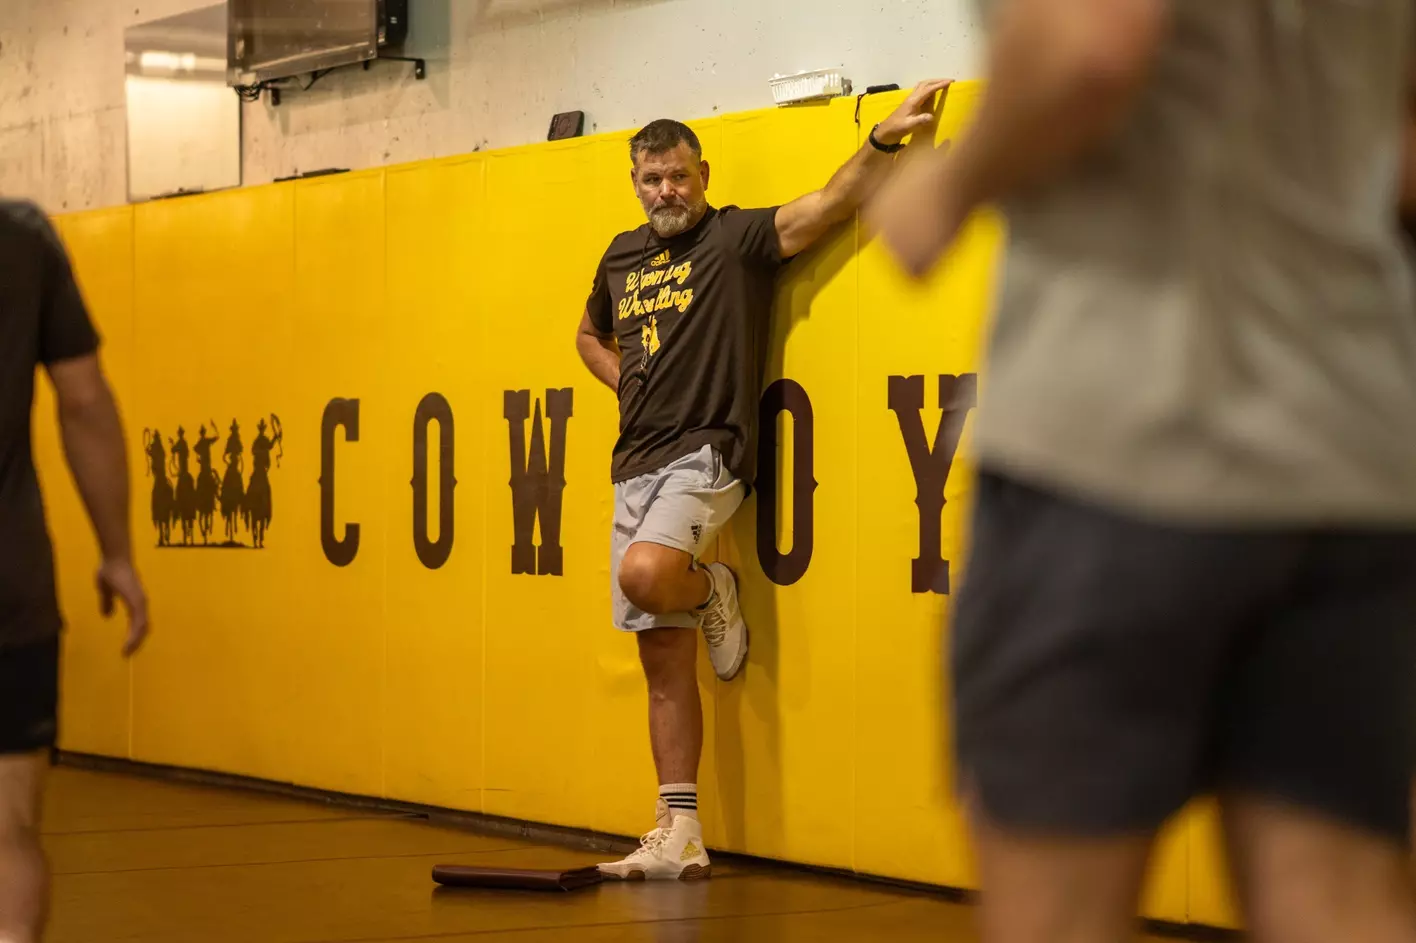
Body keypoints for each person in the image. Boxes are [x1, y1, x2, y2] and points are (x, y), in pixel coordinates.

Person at [866, 3, 1416, 943]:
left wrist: (943, 188)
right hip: (1354, 454)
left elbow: (1093, 44)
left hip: (1119, 437)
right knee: (1341, 906)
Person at [576, 80, 951, 881]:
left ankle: (712, 589)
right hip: (634, 458)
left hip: (706, 450)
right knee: (660, 657)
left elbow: (824, 205)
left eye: (677, 175)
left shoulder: (734, 240)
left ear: (702, 173)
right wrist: (625, 380)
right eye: (650, 179)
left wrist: (884, 138)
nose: (665, 191)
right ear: (634, 183)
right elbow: (585, 333)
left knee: (648, 576)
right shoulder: (620, 255)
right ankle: (678, 827)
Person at [0, 200, 148, 943]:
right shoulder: (22, 242)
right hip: (9, 588)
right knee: (9, 835)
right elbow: (84, 403)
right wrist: (116, 551)